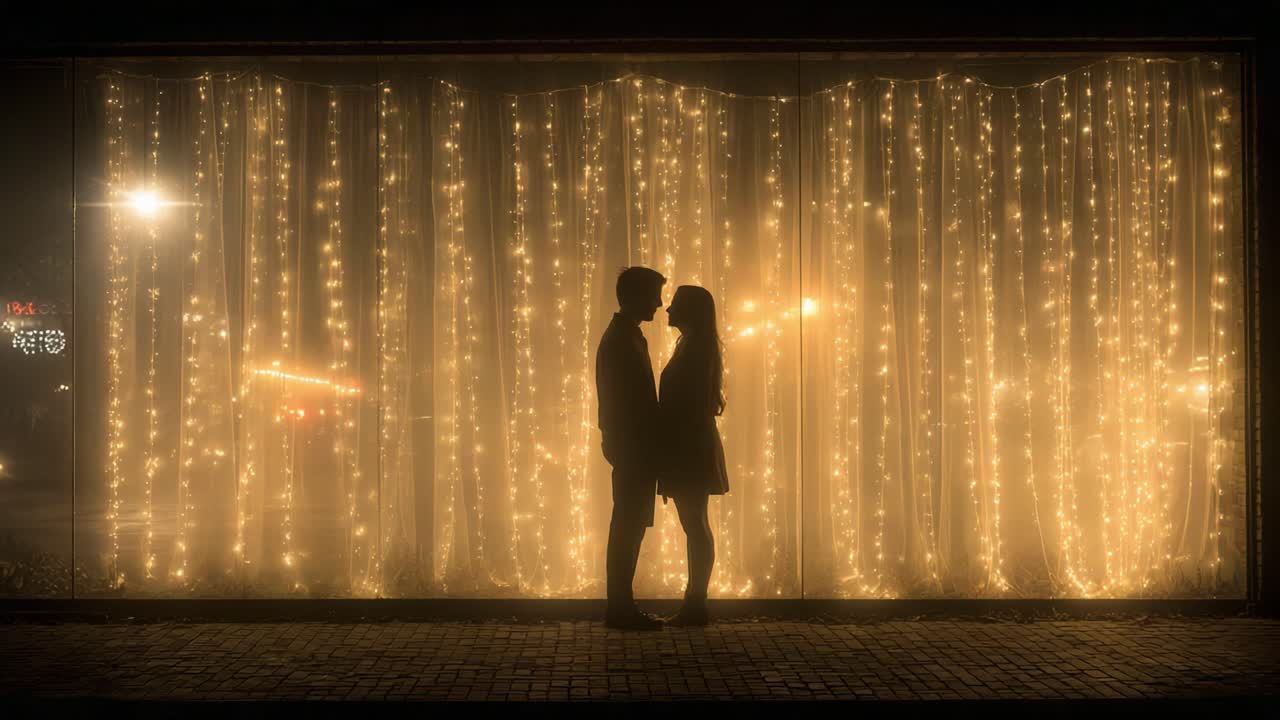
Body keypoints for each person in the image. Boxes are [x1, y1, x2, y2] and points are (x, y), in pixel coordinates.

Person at [595, 266, 667, 630]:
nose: (659, 303)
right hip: (632, 448)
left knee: (629, 524)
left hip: (633, 447)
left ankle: (621, 605)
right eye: (654, 295)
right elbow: (622, 400)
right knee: (627, 525)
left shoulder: (626, 337)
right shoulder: (622, 340)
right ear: (636, 296)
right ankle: (620, 608)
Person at [657, 285, 729, 627]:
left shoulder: (694, 350)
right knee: (696, 524)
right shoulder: (693, 346)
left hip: (689, 446)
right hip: (691, 444)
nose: (667, 310)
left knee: (695, 525)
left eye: (675, 305)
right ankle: (695, 600)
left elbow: (683, 403)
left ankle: (696, 602)